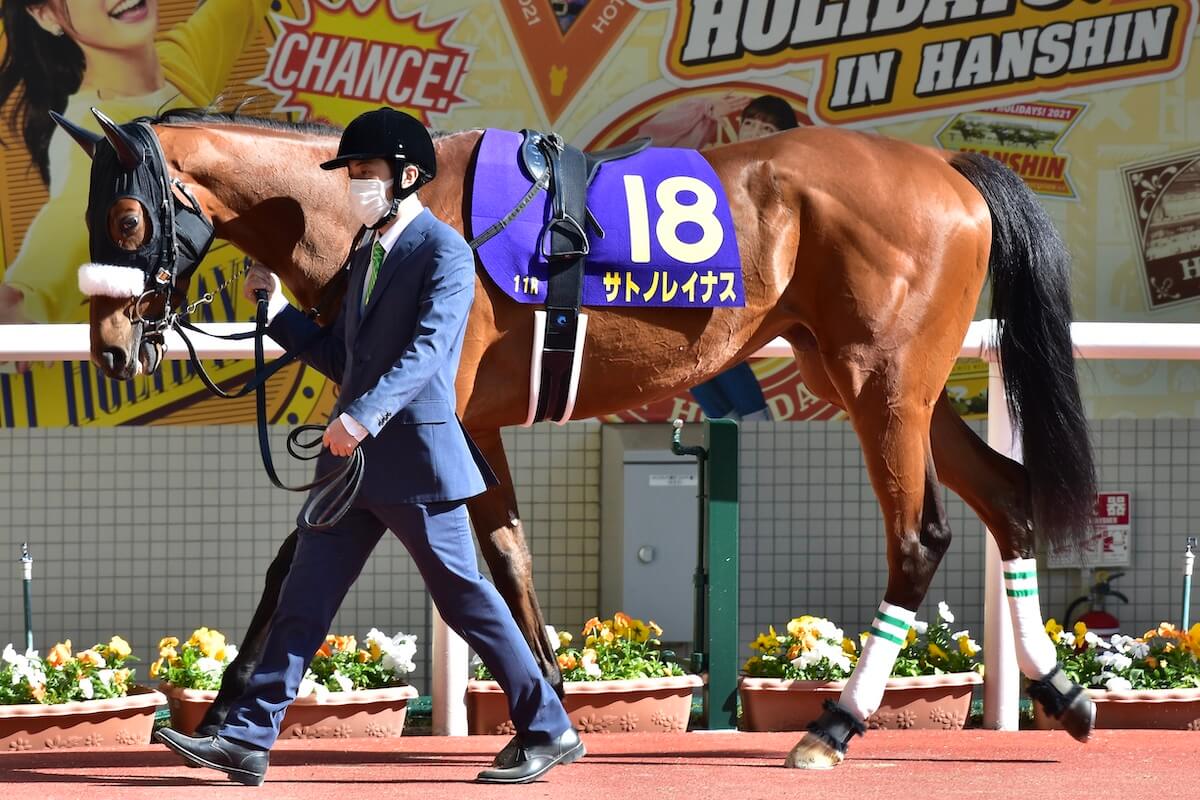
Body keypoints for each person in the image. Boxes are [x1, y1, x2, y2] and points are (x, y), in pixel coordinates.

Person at [153, 108, 584, 786]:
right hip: (351, 467)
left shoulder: (445, 252)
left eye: (366, 171)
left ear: (408, 175)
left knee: (466, 599)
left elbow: (425, 355)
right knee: (304, 598)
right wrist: (276, 318)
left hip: (413, 459)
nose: (355, 182)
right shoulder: (367, 251)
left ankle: (548, 726)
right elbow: (345, 356)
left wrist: (361, 419)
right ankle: (246, 736)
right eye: (351, 171)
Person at [0, 0, 269, 324]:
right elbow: (63, 224)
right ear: (46, 15)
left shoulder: (180, 58)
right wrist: (27, 295)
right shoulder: (88, 137)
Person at [685, 94, 799, 422]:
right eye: (749, 123)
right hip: (711, 268)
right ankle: (732, 428)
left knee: (715, 345)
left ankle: (754, 427)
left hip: (760, 275)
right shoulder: (718, 164)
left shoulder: (785, 175)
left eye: (766, 127)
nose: (753, 132)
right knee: (691, 349)